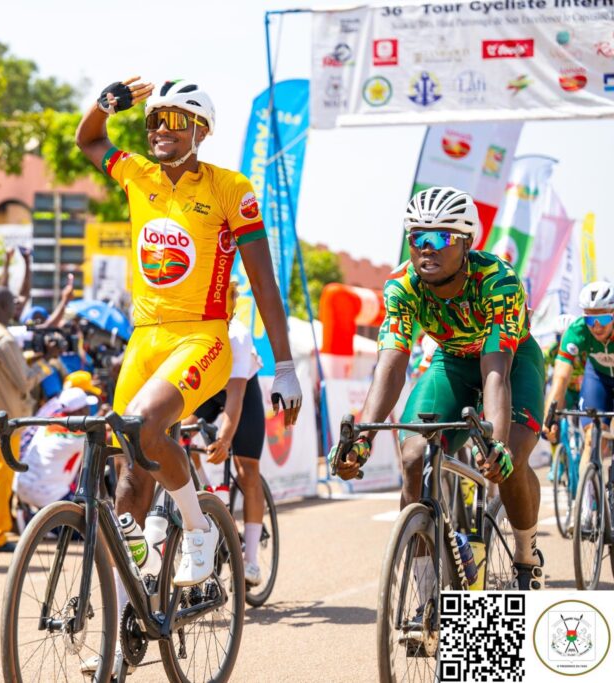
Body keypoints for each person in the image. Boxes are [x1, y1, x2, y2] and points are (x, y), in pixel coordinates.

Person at [76, 77, 301, 590]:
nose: (161, 130)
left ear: (201, 130)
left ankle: (199, 531)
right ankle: (126, 624)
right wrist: (107, 104)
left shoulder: (229, 188)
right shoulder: (137, 174)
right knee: (128, 474)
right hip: (145, 337)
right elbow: (90, 139)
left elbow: (265, 284)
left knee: (146, 423)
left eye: (176, 120)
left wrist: (284, 364)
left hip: (203, 337)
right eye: (155, 119)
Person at [332, 186, 545, 591]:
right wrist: (362, 437)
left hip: (511, 362)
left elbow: (496, 370)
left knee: (509, 462)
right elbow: (391, 365)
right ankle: (426, 597)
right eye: (417, 238)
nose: (427, 248)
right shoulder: (402, 288)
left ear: (467, 243)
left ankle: (525, 552)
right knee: (412, 456)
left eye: (441, 238)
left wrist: (495, 444)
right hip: (452, 361)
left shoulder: (497, 281)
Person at [187, 307, 267, 587]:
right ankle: (208, 492)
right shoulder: (191, 328)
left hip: (241, 388)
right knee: (179, 437)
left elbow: (235, 397)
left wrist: (224, 439)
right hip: (208, 390)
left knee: (248, 470)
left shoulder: (238, 335)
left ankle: (252, 561)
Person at [0, 286, 59, 551]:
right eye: (12, 301)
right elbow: (23, 381)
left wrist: (36, 357)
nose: (17, 305)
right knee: (2, 476)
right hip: (8, 415)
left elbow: (9, 366)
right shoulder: (5, 339)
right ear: (2, 305)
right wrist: (47, 363)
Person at [544, 285, 614, 503]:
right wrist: (550, 417)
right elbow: (561, 378)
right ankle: (585, 505)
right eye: (589, 320)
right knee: (591, 438)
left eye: (602, 320)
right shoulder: (577, 331)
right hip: (598, 379)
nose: (595, 326)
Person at [14, 387, 94, 510]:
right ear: (80, 411)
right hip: (46, 495)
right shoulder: (75, 437)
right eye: (87, 408)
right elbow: (101, 438)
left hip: (21, 485)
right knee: (86, 518)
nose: (89, 411)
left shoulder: (51, 421)